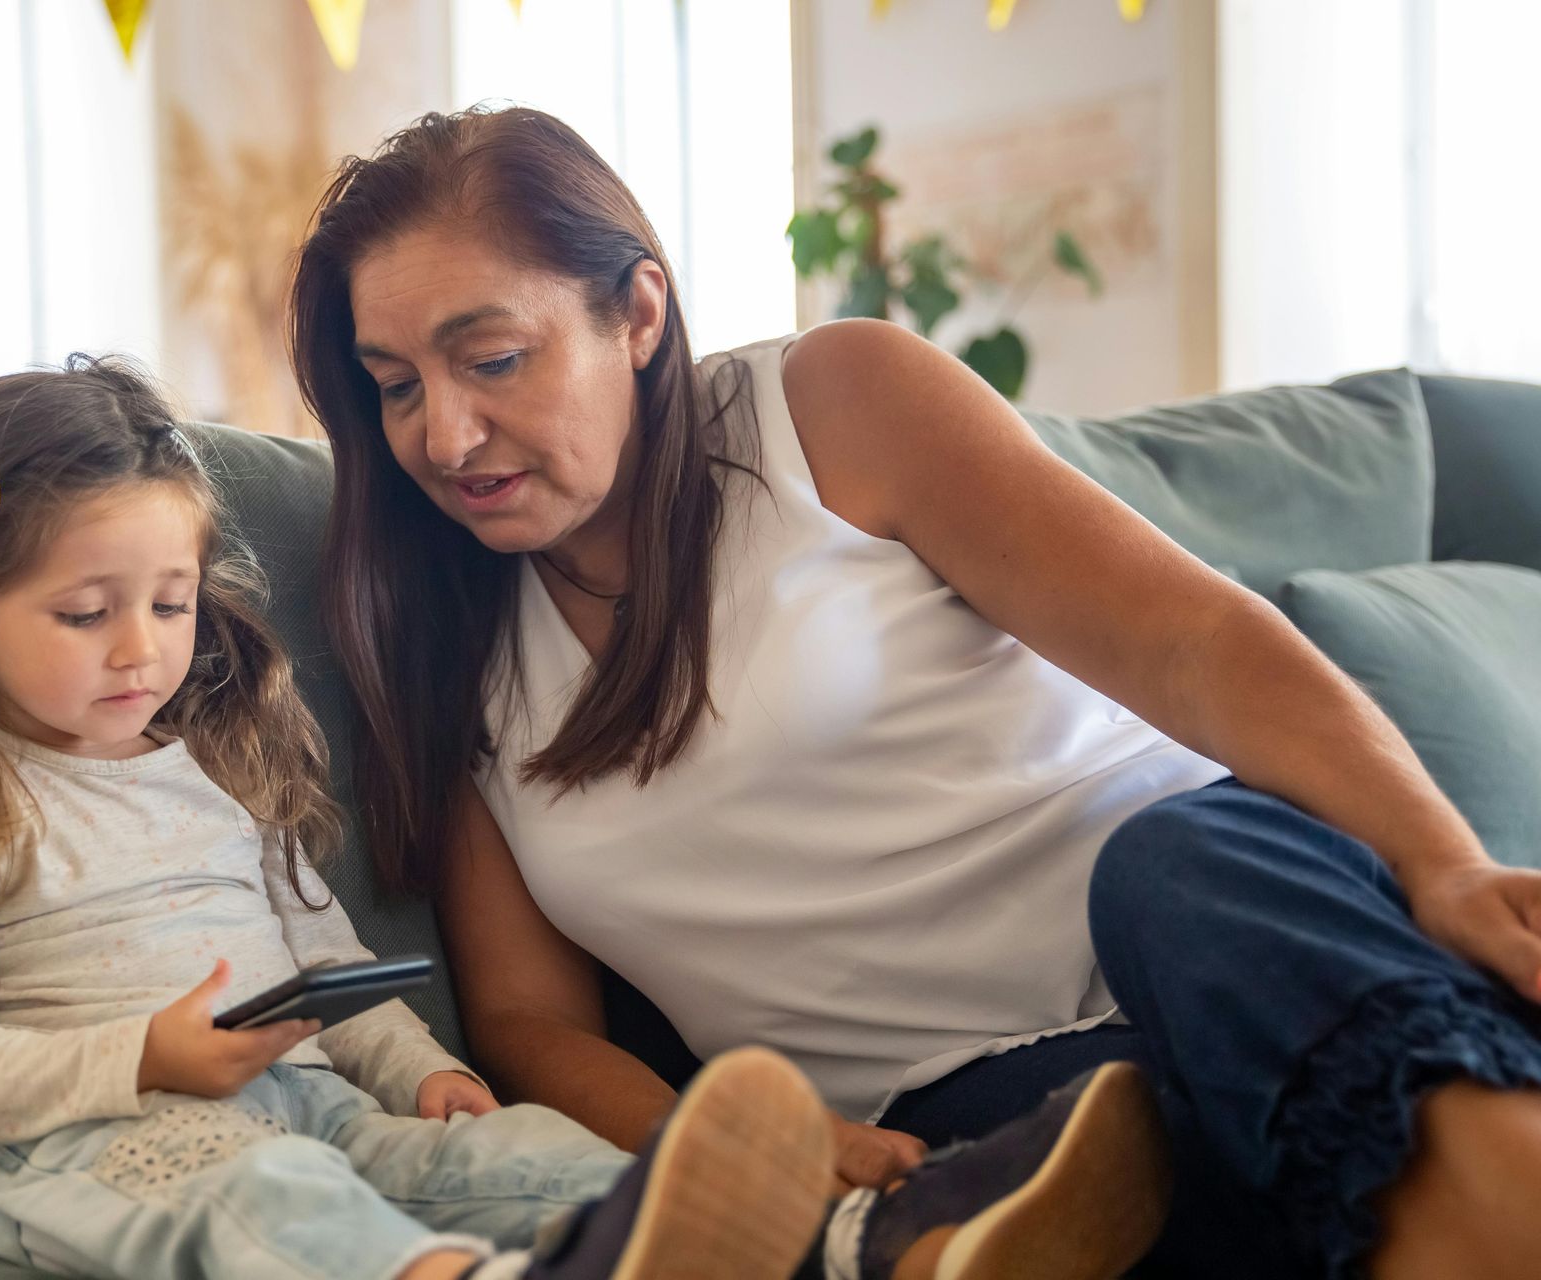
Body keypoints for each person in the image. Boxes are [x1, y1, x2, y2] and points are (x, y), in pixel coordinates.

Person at [288, 105, 1541, 1280]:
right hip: (985, 1117)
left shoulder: (826, 407)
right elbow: (525, 1017)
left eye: (493, 358)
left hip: (1242, 932)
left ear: (638, 314)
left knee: (1168, 870)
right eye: (396, 385)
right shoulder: (442, 641)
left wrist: (1445, 865)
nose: (445, 437)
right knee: (1072, 1170)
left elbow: (1191, 641)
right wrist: (750, 1147)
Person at [0, 356, 863, 1280]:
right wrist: (144, 1057)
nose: (140, 648)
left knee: (525, 1152)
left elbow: (325, 964)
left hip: (313, 1105)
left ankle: (860, 1236)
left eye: (171, 603)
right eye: (86, 613)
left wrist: (424, 1072)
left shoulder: (215, 763)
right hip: (95, 1141)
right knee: (266, 1197)